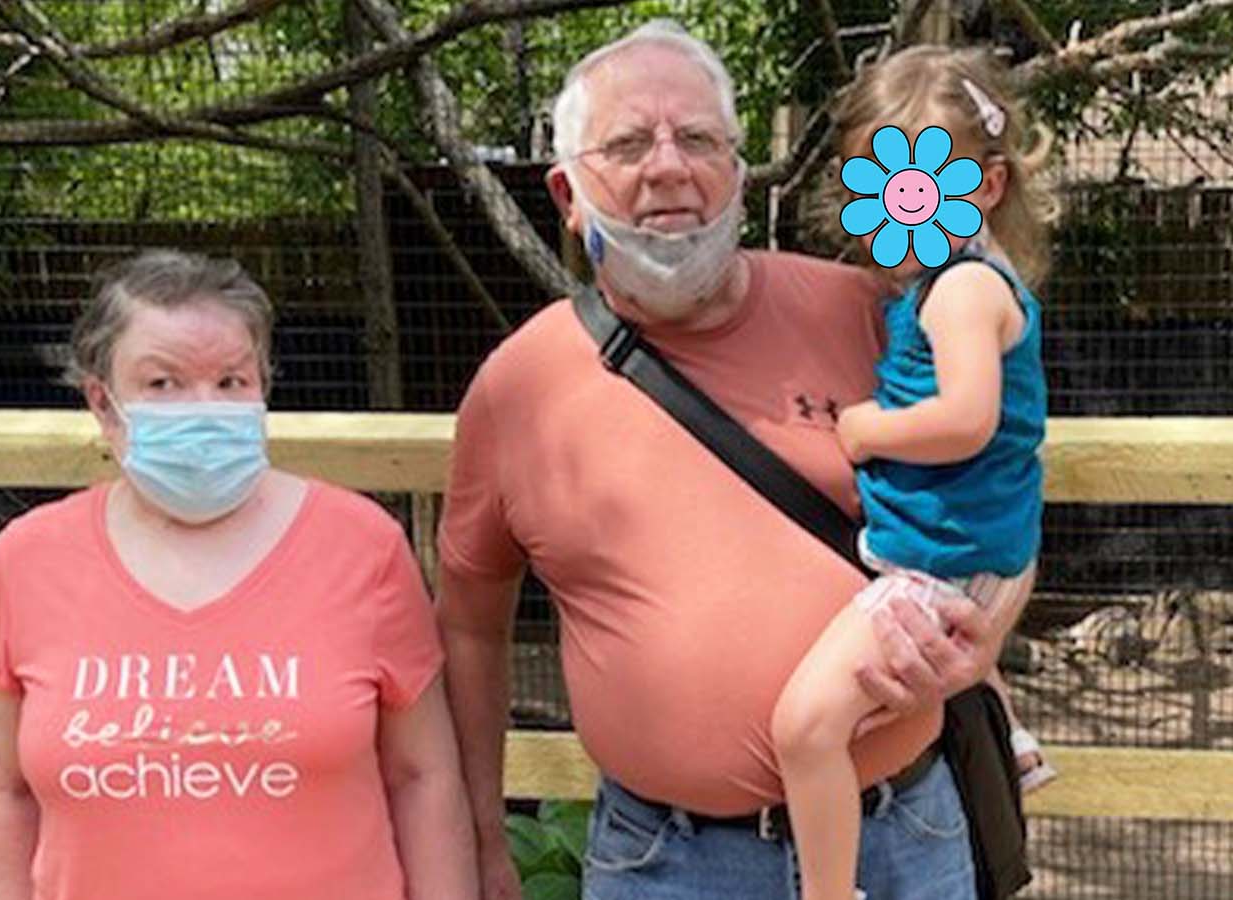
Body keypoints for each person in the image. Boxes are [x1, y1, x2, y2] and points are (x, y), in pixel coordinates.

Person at [436, 20, 1035, 900]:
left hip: (905, 836)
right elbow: (469, 622)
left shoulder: (874, 310)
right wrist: (481, 837)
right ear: (568, 191)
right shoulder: (516, 389)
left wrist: (985, 631)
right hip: (668, 864)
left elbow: (1006, 475)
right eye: (629, 142)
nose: (669, 166)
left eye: (700, 139)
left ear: (738, 169)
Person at [0, 250, 478, 900]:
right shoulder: (24, 563)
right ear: (102, 401)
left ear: (264, 385)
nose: (202, 407)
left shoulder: (362, 546)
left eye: (231, 381)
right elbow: (8, 793)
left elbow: (423, 777)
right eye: (163, 383)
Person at [771, 45, 1057, 900]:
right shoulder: (942, 282)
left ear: (990, 188)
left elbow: (967, 419)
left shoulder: (963, 290)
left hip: (943, 567)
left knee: (804, 730)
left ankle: (828, 892)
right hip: (954, 552)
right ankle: (1006, 728)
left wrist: (865, 430)